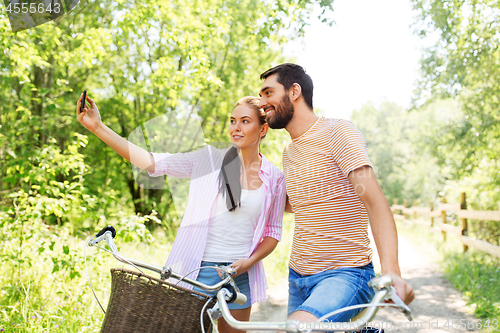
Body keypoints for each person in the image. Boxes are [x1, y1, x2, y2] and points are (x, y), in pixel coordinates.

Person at [76, 95, 286, 333]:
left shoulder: (275, 177)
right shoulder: (209, 160)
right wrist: (97, 127)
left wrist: (247, 263)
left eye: (245, 121)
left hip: (239, 275)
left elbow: (272, 232)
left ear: (263, 128)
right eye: (232, 120)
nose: (236, 127)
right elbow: (152, 163)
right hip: (197, 271)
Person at [257, 63, 415, 326]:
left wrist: (392, 272)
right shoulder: (290, 152)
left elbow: (375, 203)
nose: (262, 102)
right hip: (298, 277)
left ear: (294, 91)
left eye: (268, 93)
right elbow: (299, 203)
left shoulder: (337, 132)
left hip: (345, 275)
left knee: (297, 329)